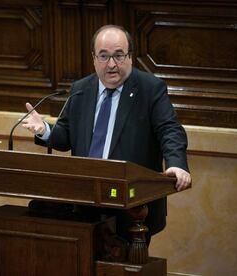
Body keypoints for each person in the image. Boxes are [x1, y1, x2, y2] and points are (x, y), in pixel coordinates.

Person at [21, 25, 191, 245]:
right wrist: (45, 130)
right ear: (94, 58)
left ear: (130, 56)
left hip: (132, 205)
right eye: (104, 56)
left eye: (119, 56)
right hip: (85, 200)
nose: (111, 64)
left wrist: (177, 163)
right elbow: (67, 136)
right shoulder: (81, 89)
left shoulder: (150, 89)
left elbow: (170, 130)